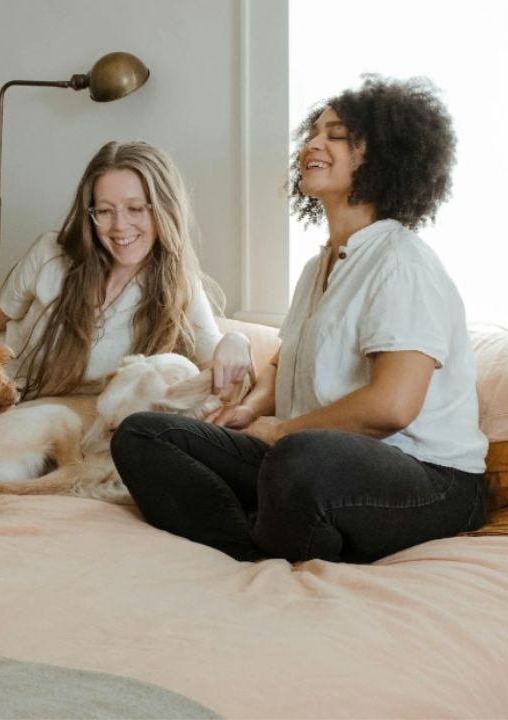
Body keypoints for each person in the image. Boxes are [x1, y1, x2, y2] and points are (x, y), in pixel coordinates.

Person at [110, 76, 488, 564]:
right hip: (306, 459)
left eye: (334, 134)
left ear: (382, 155)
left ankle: (276, 527)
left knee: (299, 459)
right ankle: (252, 546)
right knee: (143, 435)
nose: (312, 143)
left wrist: (283, 431)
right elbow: (282, 361)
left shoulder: (401, 263)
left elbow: (393, 405)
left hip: (428, 481)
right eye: (313, 132)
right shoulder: (320, 266)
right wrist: (248, 411)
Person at [0, 140, 254, 400]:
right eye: (104, 211)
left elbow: (215, 366)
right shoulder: (50, 254)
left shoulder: (179, 286)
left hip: (67, 425)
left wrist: (237, 341)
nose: (119, 226)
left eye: (135, 209)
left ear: (164, 209)